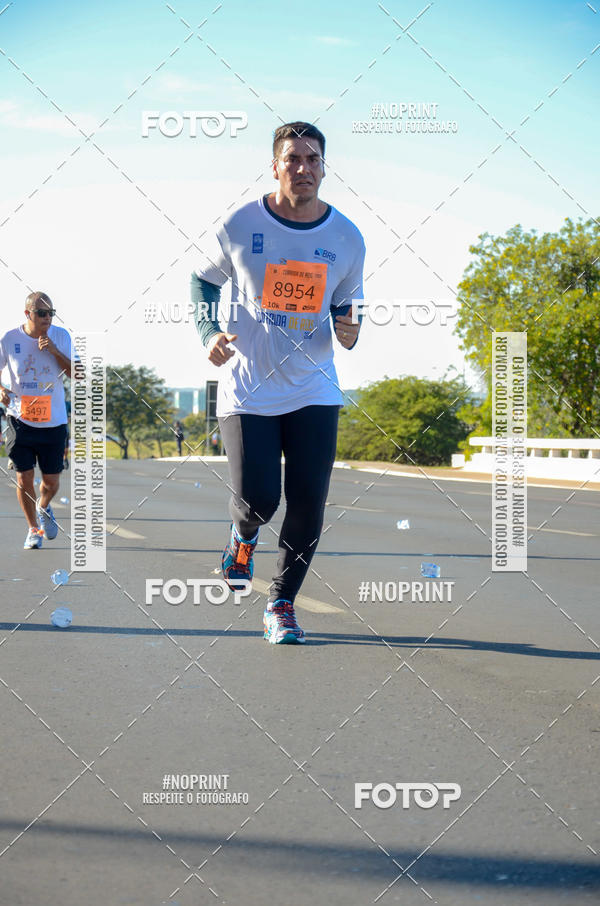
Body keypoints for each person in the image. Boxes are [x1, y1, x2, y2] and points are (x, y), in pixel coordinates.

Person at [191, 121, 365, 644]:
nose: (303, 168)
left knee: (308, 501)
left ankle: (281, 605)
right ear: (275, 166)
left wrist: (350, 327)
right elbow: (203, 280)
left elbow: (346, 304)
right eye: (293, 159)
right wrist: (208, 333)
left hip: (313, 385)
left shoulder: (346, 236)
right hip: (247, 387)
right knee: (260, 500)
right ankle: (242, 537)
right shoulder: (240, 223)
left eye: (313, 159)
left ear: (323, 167)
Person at [0, 292, 72, 549]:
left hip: (53, 422)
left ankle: (44, 507)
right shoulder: (9, 339)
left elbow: (77, 373)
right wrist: (1, 388)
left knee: (51, 483)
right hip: (20, 419)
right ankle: (33, 529)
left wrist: (54, 351)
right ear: (27, 313)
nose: (47, 318)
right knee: (24, 477)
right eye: (41, 313)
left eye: (51, 313)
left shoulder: (61, 336)